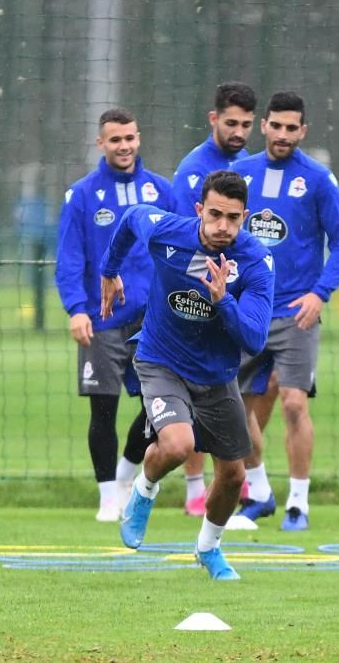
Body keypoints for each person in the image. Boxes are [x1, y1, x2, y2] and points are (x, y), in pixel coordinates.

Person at [100, 170, 274, 580]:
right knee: (178, 444)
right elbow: (129, 220)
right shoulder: (167, 233)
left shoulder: (256, 262)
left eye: (232, 218)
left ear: (245, 217)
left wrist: (223, 301)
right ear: (199, 210)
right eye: (214, 215)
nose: (222, 226)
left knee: (232, 476)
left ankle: (208, 549)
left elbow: (254, 337)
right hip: (161, 359)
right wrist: (110, 270)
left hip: (216, 375)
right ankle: (144, 490)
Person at [229, 91, 339, 532]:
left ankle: (298, 504)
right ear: (263, 126)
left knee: (295, 404)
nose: (282, 135)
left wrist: (321, 292)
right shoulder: (239, 174)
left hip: (298, 311)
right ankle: (260, 491)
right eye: (275, 126)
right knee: (233, 409)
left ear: (303, 131)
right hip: (248, 310)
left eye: (291, 128)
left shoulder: (318, 180)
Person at [55, 107, 174, 522]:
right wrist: (76, 309)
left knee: (159, 409)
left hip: (154, 323)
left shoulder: (162, 191)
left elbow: (178, 250)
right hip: (102, 320)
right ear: (100, 143)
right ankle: (108, 496)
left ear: (139, 139)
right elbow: (69, 258)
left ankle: (125, 476)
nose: (124, 146)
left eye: (130, 138)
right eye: (115, 140)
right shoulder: (83, 195)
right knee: (102, 411)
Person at [170, 81, 258, 517]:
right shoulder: (192, 169)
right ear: (213, 119)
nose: (239, 131)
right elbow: (177, 239)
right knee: (192, 397)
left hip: (238, 293)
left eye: (246, 124)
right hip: (193, 297)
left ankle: (236, 488)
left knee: (232, 397)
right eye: (231, 122)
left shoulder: (249, 166)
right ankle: (191, 489)